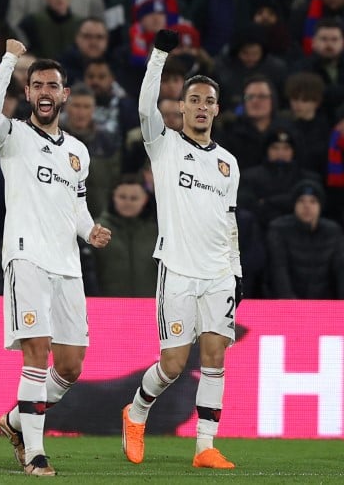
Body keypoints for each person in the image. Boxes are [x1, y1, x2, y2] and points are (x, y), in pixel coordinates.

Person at [0, 39, 111, 476]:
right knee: (36, 353)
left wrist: (89, 229)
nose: (44, 92)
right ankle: (35, 453)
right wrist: (9, 61)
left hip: (67, 265)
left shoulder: (78, 152)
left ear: (64, 94)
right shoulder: (13, 136)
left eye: (52, 86)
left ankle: (16, 421)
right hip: (26, 259)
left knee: (71, 365)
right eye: (36, 85)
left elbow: (76, 206)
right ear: (28, 91)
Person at [122, 28, 241, 470]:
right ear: (182, 106)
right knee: (172, 364)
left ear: (217, 109)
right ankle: (135, 413)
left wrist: (237, 271)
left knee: (214, 358)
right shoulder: (164, 144)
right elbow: (143, 106)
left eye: (209, 101)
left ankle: (205, 446)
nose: (202, 107)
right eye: (195, 100)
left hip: (218, 274)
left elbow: (230, 223)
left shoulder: (229, 163)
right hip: (177, 267)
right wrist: (158, 56)